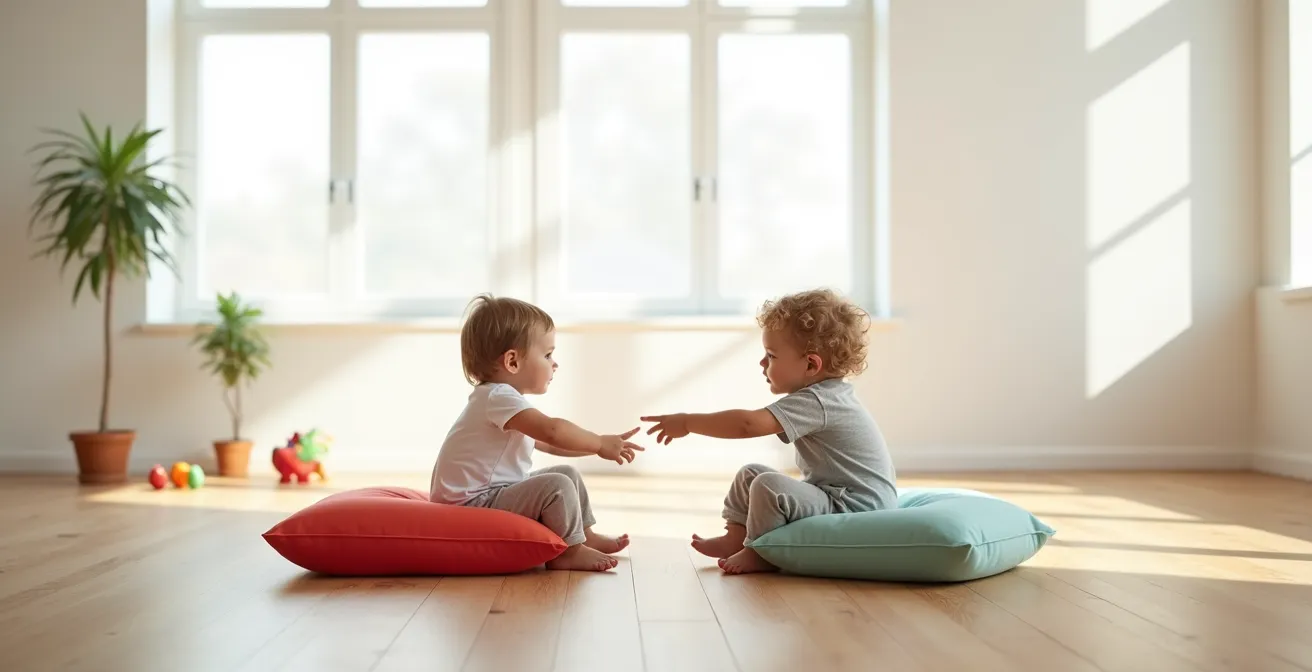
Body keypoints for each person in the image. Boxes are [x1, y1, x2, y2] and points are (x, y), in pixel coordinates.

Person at [642, 288, 897, 574]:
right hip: (835, 494)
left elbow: (747, 424)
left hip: (856, 506)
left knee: (768, 487)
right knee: (752, 474)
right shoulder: (825, 395)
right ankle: (736, 539)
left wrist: (688, 422)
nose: (763, 363)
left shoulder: (819, 400)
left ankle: (761, 551)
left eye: (771, 356)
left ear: (811, 364)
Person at [430, 294, 645, 572]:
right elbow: (553, 431)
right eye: (547, 355)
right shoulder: (498, 398)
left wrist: (596, 448)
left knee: (567, 474)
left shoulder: (500, 401)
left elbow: (550, 443)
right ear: (512, 362)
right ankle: (567, 552)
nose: (554, 364)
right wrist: (600, 442)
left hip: (490, 494)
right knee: (557, 486)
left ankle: (585, 535)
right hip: (473, 504)